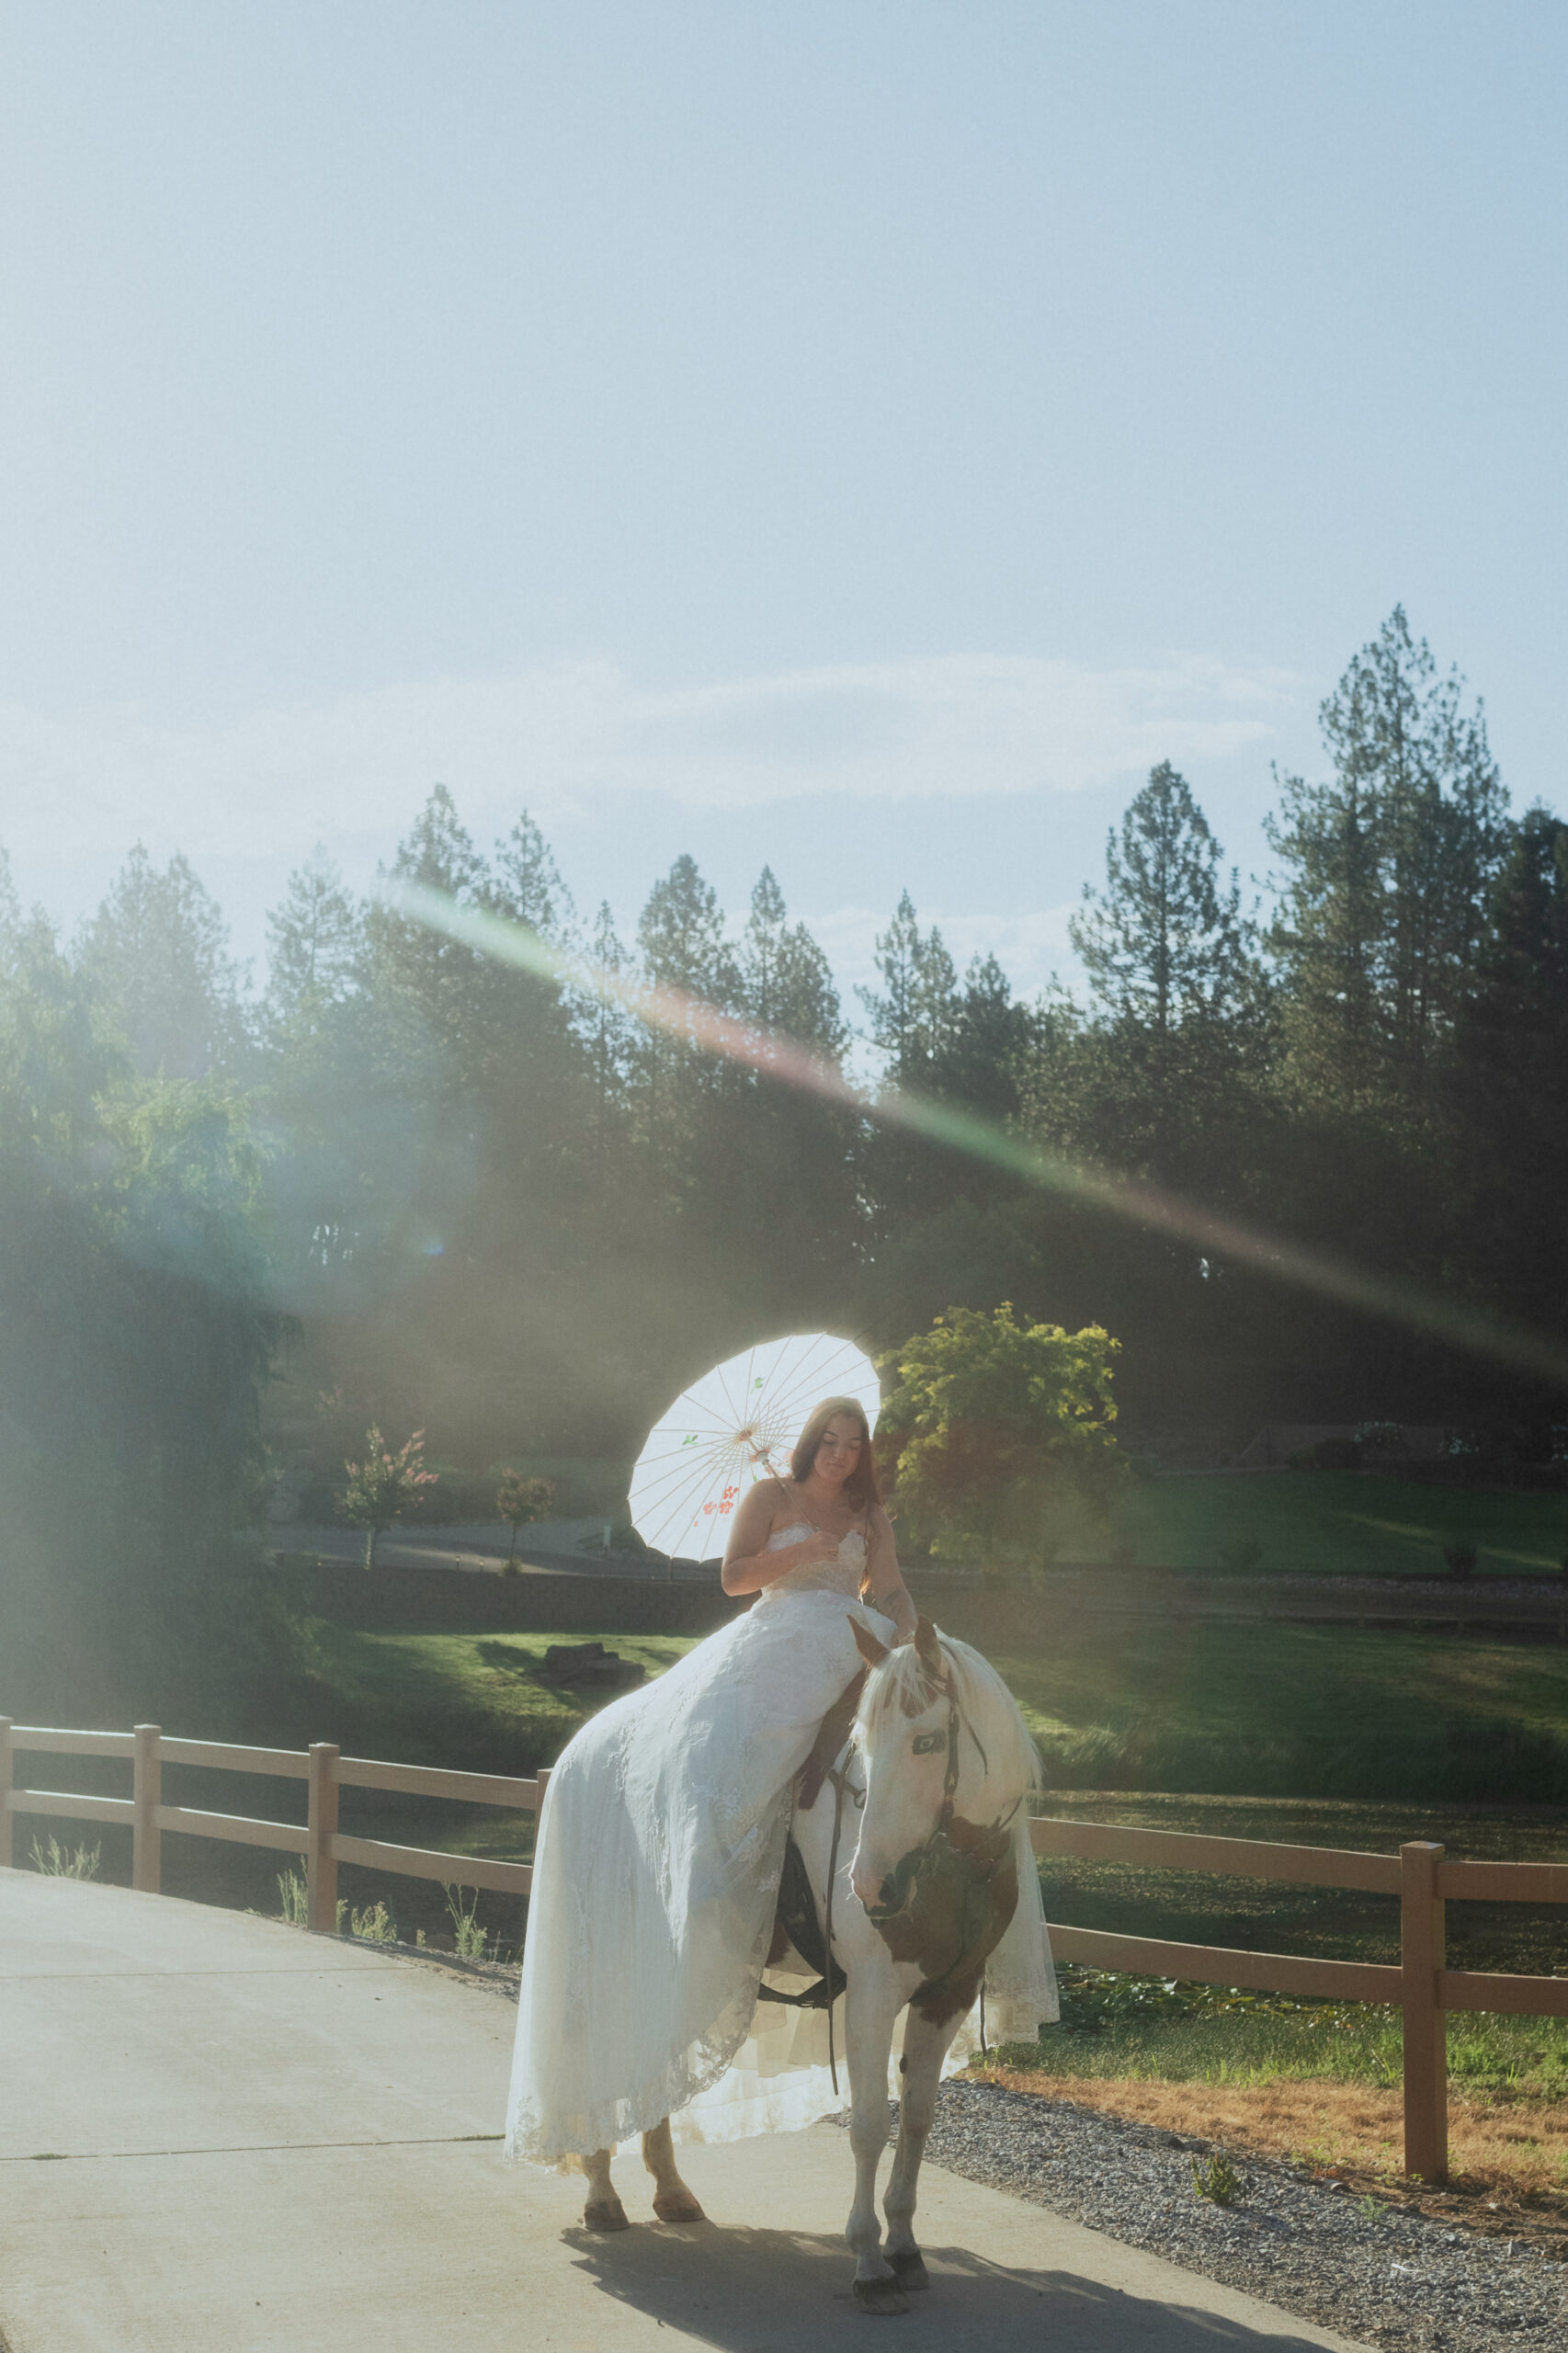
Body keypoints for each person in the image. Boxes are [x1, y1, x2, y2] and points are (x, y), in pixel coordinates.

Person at [505, 1396, 918, 2165]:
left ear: (864, 1451)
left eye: (853, 1444)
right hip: (778, 1636)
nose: (840, 1455)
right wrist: (798, 1555)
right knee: (734, 1753)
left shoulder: (871, 1513)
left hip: (856, 1640)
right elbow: (734, 1578)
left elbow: (887, 1586)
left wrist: (906, 1626)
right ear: (809, 1445)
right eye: (828, 1442)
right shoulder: (772, 1497)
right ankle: (712, 1893)